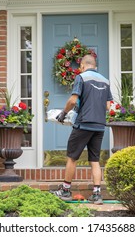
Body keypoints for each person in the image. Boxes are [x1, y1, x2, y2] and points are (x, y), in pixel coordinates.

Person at [50, 54, 113, 205]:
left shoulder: (81, 77)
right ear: (95, 66)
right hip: (99, 126)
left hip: (83, 124)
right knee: (95, 160)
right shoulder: (105, 81)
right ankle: (97, 194)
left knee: (72, 157)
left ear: (82, 66)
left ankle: (65, 191)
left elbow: (72, 100)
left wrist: (63, 113)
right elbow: (108, 106)